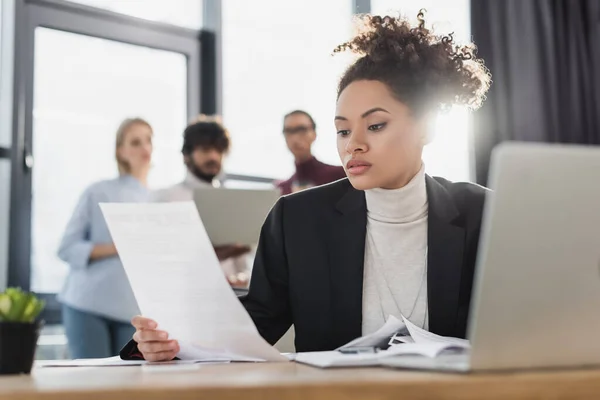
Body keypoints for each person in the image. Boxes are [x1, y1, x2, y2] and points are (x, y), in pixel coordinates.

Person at [126, 13, 492, 361]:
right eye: (343, 130)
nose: (353, 145)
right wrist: (166, 340)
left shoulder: (483, 214)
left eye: (375, 125)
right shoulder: (297, 219)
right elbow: (253, 323)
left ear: (427, 127)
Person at [57, 118, 153, 358]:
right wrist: (118, 247)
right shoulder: (98, 191)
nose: (145, 148)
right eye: (136, 142)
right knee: (92, 387)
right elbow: (66, 248)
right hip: (88, 304)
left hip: (132, 312)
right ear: (121, 151)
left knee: (126, 389)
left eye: (149, 140)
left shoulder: (157, 199)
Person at [153, 115, 250, 287]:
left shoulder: (233, 200)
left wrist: (243, 277)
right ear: (186, 155)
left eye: (218, 150)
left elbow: (242, 262)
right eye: (205, 150)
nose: (213, 156)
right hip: (184, 291)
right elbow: (161, 257)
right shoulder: (167, 198)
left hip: (230, 295)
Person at [277, 110, 346, 194]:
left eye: (301, 129)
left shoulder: (340, 176)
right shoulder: (282, 188)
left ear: (314, 133)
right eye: (288, 131)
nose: (295, 138)